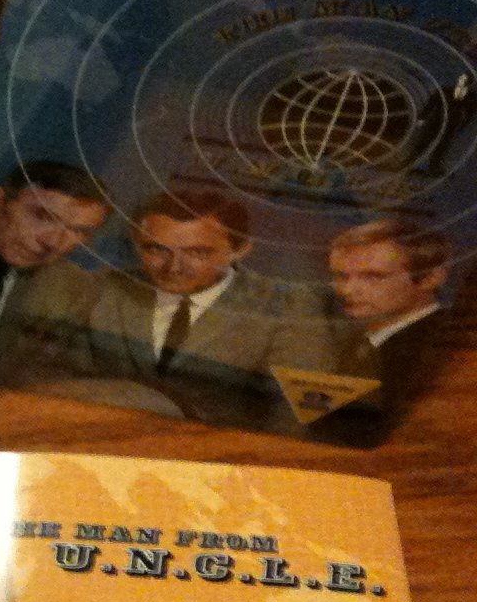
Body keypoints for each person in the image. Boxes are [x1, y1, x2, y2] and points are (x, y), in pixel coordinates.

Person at [76, 188, 331, 428]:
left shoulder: (287, 308)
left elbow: (295, 416)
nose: (174, 267)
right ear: (136, 242)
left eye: (197, 253)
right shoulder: (105, 288)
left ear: (240, 250)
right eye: (156, 249)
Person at [0, 161, 109, 379]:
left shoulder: (72, 287)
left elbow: (59, 375)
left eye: (79, 231)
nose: (54, 242)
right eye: (43, 216)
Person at [314, 218, 454, 441]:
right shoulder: (357, 341)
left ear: (430, 278)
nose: (347, 290)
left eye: (372, 277)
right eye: (341, 276)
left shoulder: (446, 348)